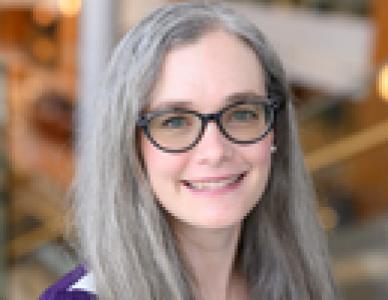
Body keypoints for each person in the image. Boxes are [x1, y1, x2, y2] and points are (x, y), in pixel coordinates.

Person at [41, 1, 337, 299]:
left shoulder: (302, 282)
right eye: (175, 121)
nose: (215, 151)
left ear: (275, 130)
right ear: (130, 146)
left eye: (243, 114)